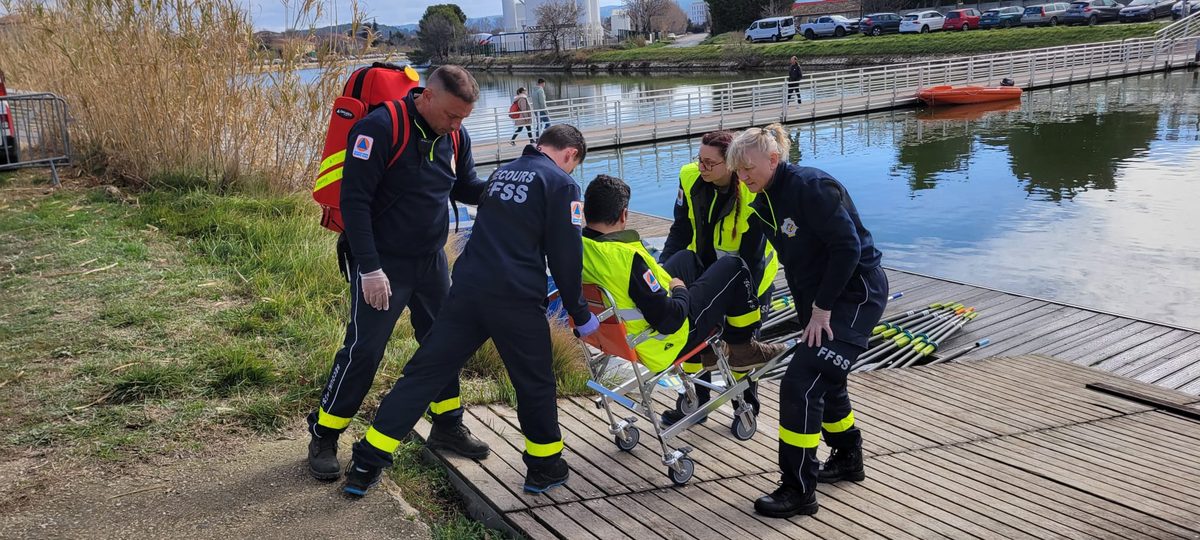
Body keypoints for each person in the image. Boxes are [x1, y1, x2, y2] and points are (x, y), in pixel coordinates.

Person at [342, 124, 600, 497]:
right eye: (572, 164)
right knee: (534, 383)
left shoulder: (501, 174)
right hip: (515, 298)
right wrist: (580, 312)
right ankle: (544, 467)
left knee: (424, 374)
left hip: (466, 291)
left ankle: (366, 462)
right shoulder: (562, 184)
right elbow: (566, 256)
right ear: (570, 154)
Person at [306, 65, 491, 482]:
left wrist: (502, 188)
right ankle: (324, 434)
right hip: (381, 261)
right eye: (451, 115)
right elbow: (354, 202)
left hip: (430, 260)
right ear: (427, 96)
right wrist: (370, 269)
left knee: (444, 342)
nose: (456, 125)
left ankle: (447, 425)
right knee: (365, 350)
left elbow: (465, 186)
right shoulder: (379, 128)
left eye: (463, 118)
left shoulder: (454, 135)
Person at [727, 124, 888, 518]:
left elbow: (847, 248)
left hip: (855, 293)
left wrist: (822, 309)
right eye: (738, 170)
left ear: (773, 159)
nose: (743, 177)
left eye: (748, 168)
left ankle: (798, 489)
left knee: (801, 382)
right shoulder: (764, 201)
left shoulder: (811, 187)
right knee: (825, 375)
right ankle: (848, 457)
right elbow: (755, 259)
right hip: (815, 297)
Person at [580, 175, 785, 383]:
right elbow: (670, 321)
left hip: (620, 334)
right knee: (734, 267)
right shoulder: (626, 260)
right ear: (624, 214)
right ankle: (744, 349)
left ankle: (710, 353)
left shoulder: (578, 248)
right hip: (663, 341)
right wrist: (680, 290)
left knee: (687, 259)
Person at [657, 130, 781, 426]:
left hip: (750, 279)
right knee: (690, 334)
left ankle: (745, 407)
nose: (701, 167)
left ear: (731, 164)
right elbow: (680, 230)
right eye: (699, 159)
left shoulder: (752, 191)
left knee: (741, 345)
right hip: (705, 269)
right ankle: (695, 401)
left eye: (710, 163)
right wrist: (663, 271)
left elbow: (752, 259)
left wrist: (742, 303)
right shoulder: (689, 177)